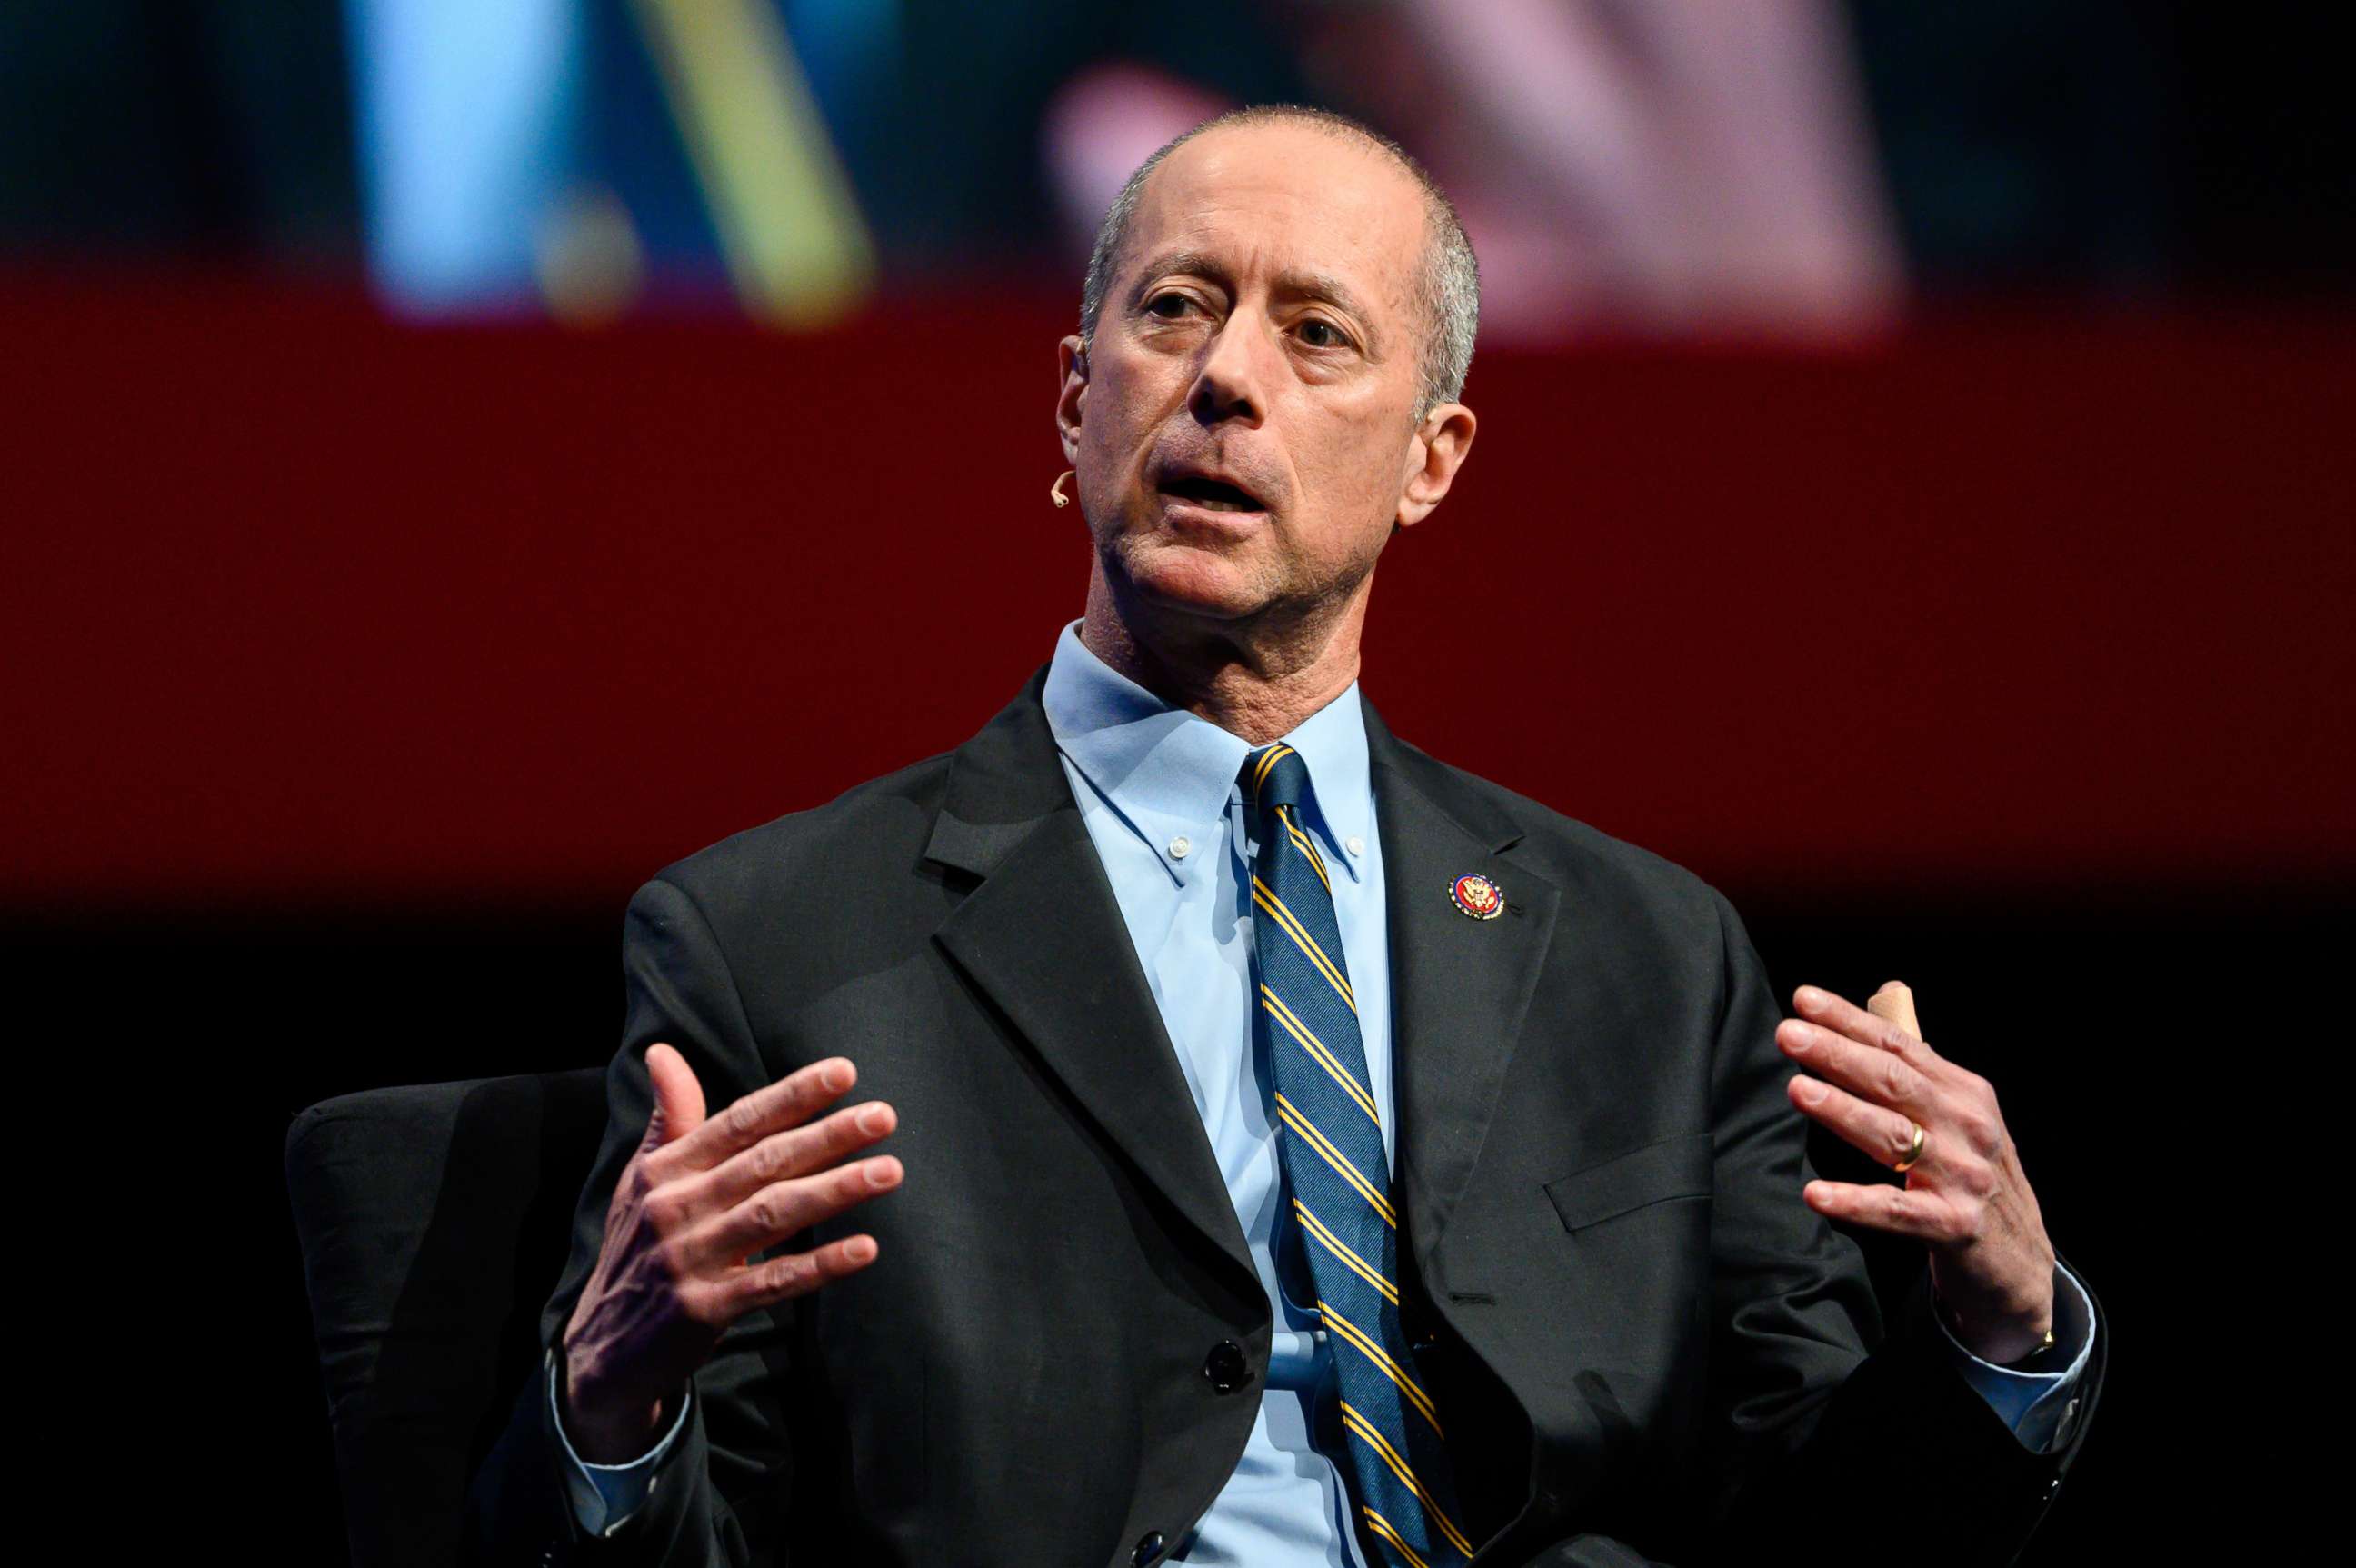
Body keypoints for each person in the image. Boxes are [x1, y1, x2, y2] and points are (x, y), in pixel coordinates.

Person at [470, 105, 2101, 1567]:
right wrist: (613, 1401)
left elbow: (1826, 1529)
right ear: (1072, 400)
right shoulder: (776, 941)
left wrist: (2003, 1328)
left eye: (1318, 334)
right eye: (1174, 309)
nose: (1228, 378)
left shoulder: (1647, 958)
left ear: (1429, 463)